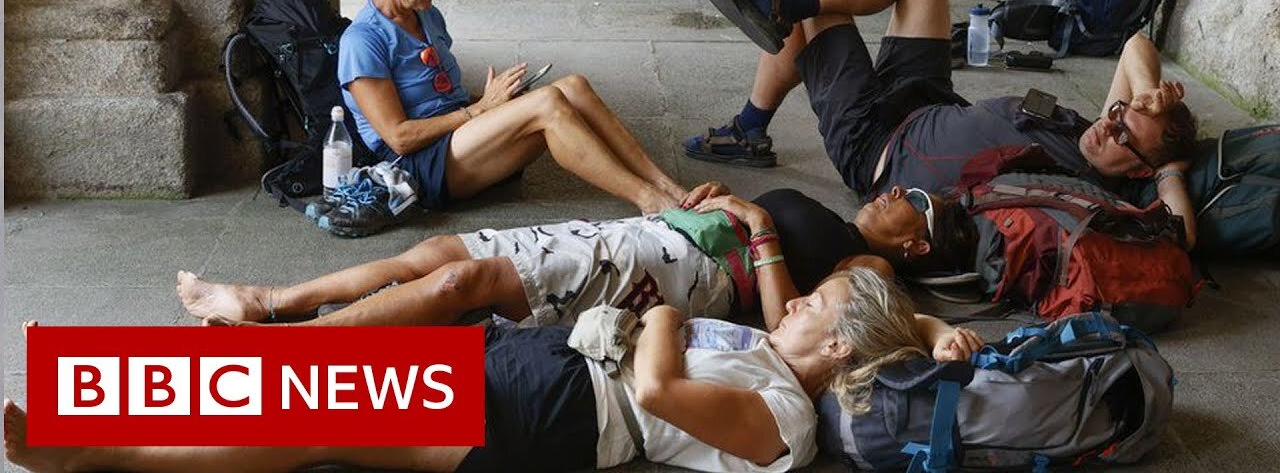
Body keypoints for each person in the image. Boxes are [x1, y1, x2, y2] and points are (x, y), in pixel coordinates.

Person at [6, 269, 983, 473]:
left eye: (815, 300)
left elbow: (652, 392)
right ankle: (95, 384)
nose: (796, 299)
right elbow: (879, 315)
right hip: (549, 364)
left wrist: (665, 316)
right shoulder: (776, 348)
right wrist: (935, 328)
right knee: (330, 375)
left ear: (842, 347)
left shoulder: (786, 418)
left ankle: (94, 449)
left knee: (321, 420)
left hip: (559, 408)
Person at [694, 0, 1202, 246]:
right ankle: (782, 11)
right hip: (926, 98)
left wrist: (1170, 171)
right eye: (1118, 113)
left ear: (1140, 169)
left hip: (879, 148)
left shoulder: (1097, 183)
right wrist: (1147, 97)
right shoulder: (1096, 130)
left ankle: (750, 122)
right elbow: (1138, 44)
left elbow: (1182, 232)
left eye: (1124, 134)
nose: (1109, 123)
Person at [174, 179, 964, 331]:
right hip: (652, 238)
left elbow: (787, 322)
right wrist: (717, 200)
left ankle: (300, 357)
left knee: (465, 281)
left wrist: (757, 226)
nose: (893, 193)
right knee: (436, 251)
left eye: (911, 203)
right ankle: (270, 300)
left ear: (916, 242)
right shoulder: (832, 214)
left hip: (673, 280)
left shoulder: (875, 268)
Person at [337, 0, 687, 233]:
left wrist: (495, 102)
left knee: (574, 88)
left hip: (459, 134)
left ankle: (667, 186)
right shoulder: (362, 41)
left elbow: (441, 97)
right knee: (547, 103)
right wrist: (481, 110)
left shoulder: (425, 14)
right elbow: (399, 138)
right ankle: (649, 201)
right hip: (419, 166)